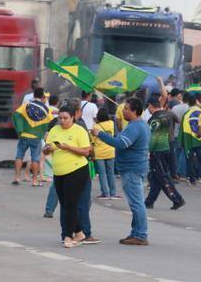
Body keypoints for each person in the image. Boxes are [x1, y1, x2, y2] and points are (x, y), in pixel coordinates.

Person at [92, 97, 151, 246]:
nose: (123, 110)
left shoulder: (135, 126)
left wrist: (100, 134)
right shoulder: (138, 125)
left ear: (134, 111)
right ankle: (136, 232)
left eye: (126, 108)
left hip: (132, 168)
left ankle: (141, 234)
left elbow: (121, 143)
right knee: (136, 203)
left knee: (136, 203)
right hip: (135, 167)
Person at [43, 106, 92, 249]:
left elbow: (86, 151)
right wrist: (47, 149)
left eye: (65, 118)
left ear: (73, 118)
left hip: (76, 170)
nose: (62, 121)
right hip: (59, 172)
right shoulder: (54, 130)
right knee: (65, 204)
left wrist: (68, 147)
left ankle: (68, 235)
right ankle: (79, 232)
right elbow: (46, 149)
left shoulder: (79, 131)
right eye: (60, 118)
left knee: (71, 205)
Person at [145, 97, 185, 211]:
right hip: (166, 147)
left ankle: (177, 199)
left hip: (157, 150)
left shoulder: (154, 119)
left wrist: (148, 150)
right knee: (155, 177)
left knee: (162, 177)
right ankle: (149, 201)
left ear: (151, 106)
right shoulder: (167, 115)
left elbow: (153, 137)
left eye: (149, 107)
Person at [13, 89, 47, 186]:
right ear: (42, 96)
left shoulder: (26, 106)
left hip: (24, 135)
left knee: (19, 156)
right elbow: (47, 123)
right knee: (35, 159)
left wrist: (20, 130)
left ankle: (17, 177)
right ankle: (35, 181)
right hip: (36, 137)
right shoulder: (45, 108)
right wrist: (42, 133)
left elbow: (16, 115)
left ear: (34, 95)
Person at [92, 107, 118, 200]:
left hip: (99, 152)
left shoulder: (96, 127)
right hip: (110, 151)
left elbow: (92, 140)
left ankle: (105, 193)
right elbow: (115, 134)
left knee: (102, 174)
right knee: (111, 173)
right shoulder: (111, 123)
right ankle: (113, 193)